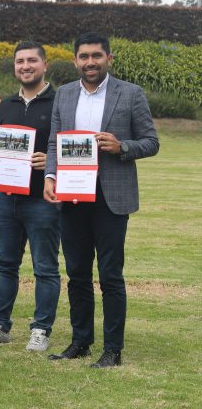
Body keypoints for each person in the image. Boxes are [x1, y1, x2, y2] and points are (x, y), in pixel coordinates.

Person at [43, 32, 159, 368]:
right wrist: (50, 176)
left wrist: (121, 146)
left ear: (109, 58)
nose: (90, 62)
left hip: (111, 198)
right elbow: (53, 143)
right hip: (72, 195)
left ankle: (113, 349)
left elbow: (151, 142)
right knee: (77, 273)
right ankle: (80, 342)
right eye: (83, 56)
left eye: (96, 56)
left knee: (110, 275)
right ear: (75, 60)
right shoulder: (64, 94)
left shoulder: (131, 94)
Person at [0, 41, 60, 352]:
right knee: (5, 264)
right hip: (6, 198)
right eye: (20, 61)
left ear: (45, 64)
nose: (26, 66)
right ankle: (0, 326)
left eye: (32, 60)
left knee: (45, 267)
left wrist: (50, 163)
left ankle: (41, 329)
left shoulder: (60, 102)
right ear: (14, 66)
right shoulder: (5, 105)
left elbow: (73, 149)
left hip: (43, 199)